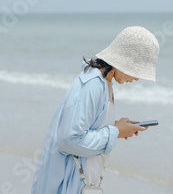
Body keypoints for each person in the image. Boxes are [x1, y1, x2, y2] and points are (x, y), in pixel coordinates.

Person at [31, 26, 160, 193]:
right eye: (136, 71)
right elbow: (69, 139)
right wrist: (115, 132)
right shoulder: (93, 85)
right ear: (124, 61)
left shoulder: (103, 82)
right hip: (67, 185)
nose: (136, 78)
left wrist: (118, 126)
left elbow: (86, 126)